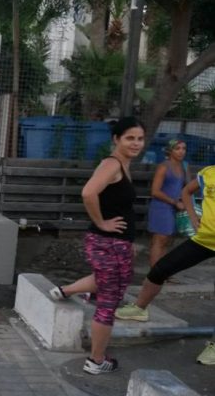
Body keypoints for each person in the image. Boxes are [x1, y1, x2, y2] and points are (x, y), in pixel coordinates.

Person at [49, 117, 145, 375]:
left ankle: (65, 290)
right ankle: (96, 360)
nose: (136, 143)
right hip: (108, 242)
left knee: (108, 281)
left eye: (140, 138)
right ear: (116, 139)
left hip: (115, 243)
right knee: (109, 301)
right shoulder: (112, 164)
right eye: (130, 138)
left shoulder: (122, 164)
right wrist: (102, 223)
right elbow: (88, 193)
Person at [116, 165, 215, 366]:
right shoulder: (208, 173)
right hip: (204, 240)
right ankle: (139, 309)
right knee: (160, 269)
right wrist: (193, 218)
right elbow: (186, 192)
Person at [146, 139, 188, 268]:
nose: (181, 151)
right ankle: (154, 275)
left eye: (184, 148)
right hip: (161, 207)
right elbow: (155, 191)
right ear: (170, 150)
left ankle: (161, 273)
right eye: (177, 148)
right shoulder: (164, 167)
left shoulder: (184, 166)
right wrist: (174, 202)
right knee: (159, 240)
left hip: (175, 208)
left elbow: (187, 188)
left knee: (167, 241)